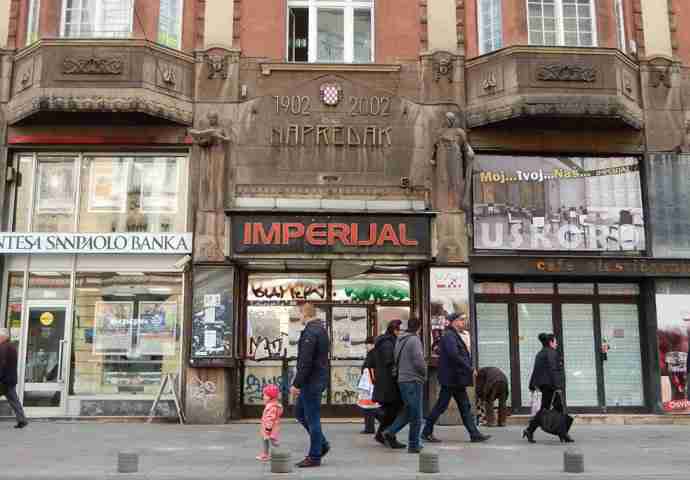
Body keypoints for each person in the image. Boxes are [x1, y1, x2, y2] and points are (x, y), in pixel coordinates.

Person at [422, 313, 490, 444]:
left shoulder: (453, 335)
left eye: (464, 320)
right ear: (453, 322)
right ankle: (426, 432)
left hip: (456, 379)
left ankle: (474, 434)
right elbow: (454, 355)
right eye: (461, 320)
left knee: (464, 407)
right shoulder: (449, 336)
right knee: (441, 407)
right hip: (451, 379)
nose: (463, 322)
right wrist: (469, 368)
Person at [290, 303, 330, 468]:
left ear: (304, 313)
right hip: (315, 379)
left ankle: (314, 456)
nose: (298, 317)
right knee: (300, 412)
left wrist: (296, 384)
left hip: (311, 381)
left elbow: (306, 361)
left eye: (298, 314)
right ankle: (322, 444)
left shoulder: (311, 331)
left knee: (312, 418)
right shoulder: (319, 329)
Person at [382, 317, 426, 454]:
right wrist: (424, 373)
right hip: (413, 380)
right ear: (419, 328)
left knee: (408, 411)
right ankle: (414, 444)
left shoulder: (400, 340)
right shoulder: (414, 340)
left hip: (402, 379)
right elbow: (418, 361)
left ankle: (390, 432)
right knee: (417, 414)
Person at [523, 333, 573, 444]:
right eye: (555, 341)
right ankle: (530, 430)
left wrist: (532, 384)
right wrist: (558, 386)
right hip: (551, 387)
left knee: (556, 409)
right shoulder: (551, 353)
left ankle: (562, 433)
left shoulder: (540, 354)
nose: (556, 344)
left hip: (545, 386)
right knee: (546, 410)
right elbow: (553, 370)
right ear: (551, 342)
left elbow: (535, 371)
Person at [372, 320, 404, 446]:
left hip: (387, 382)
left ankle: (381, 434)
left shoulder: (388, 341)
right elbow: (389, 360)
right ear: (394, 330)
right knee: (393, 410)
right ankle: (388, 435)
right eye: (398, 329)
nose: (399, 332)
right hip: (388, 383)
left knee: (392, 410)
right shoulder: (387, 342)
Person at [0, 328, 28, 429]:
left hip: (4, 380)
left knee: (14, 400)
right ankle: (22, 419)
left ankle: (22, 419)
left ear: (3, 337)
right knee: (14, 400)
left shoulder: (3, 347)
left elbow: (2, 364)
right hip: (10, 379)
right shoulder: (11, 346)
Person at [257, 384, 283, 461]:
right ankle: (266, 454)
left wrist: (268, 428)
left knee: (269, 441)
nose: (263, 397)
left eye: (265, 395)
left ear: (270, 397)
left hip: (269, 428)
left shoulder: (272, 407)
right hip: (271, 428)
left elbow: (270, 419)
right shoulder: (272, 405)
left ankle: (271, 454)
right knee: (267, 440)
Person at [360, 336, 377, 434]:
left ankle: (369, 427)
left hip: (370, 384)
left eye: (367, 344)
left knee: (369, 406)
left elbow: (369, 367)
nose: (366, 346)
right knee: (368, 406)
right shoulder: (372, 353)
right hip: (369, 383)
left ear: (372, 344)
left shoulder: (373, 354)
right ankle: (369, 427)